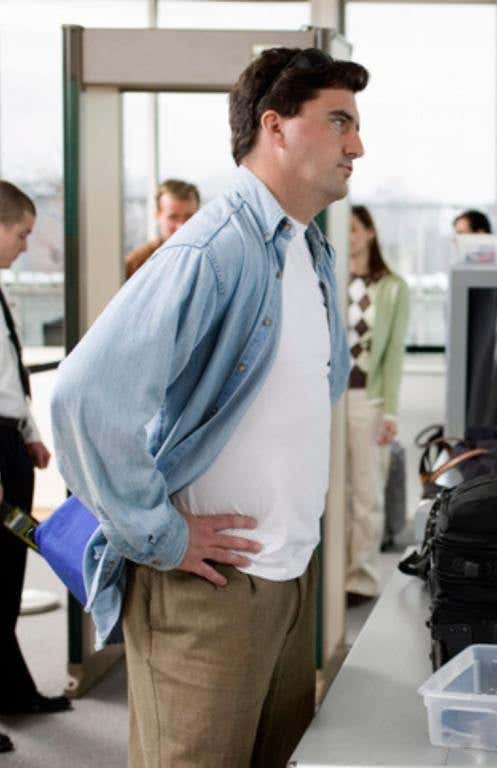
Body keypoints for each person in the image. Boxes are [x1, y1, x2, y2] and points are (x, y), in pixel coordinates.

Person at [51, 48, 367, 767]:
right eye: (339, 121)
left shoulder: (305, 250)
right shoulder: (214, 249)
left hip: (286, 581)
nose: (357, 145)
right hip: (208, 591)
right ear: (275, 126)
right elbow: (84, 399)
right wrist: (160, 534)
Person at [0, 182, 67, 739]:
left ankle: (12, 691)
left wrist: (29, 431)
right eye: (20, 234)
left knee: (8, 572)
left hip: (8, 444)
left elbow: (6, 375)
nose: (25, 246)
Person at [345, 205, 409, 605]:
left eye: (354, 230)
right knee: (335, 493)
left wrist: (389, 412)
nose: (348, 237)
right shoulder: (332, 279)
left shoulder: (392, 287)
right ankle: (335, 577)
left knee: (367, 494)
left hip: (369, 399)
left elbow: (394, 355)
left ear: (369, 233)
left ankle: (361, 579)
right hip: (332, 401)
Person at [124, 178, 200, 279]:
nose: (181, 226)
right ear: (157, 216)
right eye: (173, 217)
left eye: (189, 217)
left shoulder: (211, 261)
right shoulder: (135, 264)